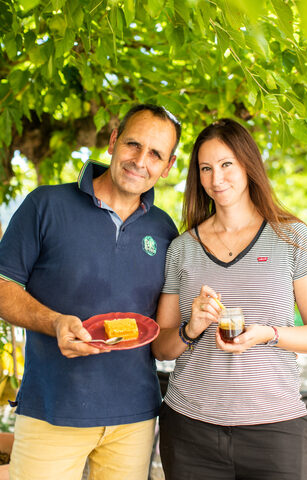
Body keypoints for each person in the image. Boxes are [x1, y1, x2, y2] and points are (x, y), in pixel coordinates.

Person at [0, 103, 181, 480]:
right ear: (113, 140)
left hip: (134, 417)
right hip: (53, 410)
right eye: (133, 144)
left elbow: (166, 326)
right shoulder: (45, 205)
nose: (140, 160)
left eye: (156, 154)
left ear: (168, 166)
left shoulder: (165, 230)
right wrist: (54, 322)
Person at [152, 118, 307, 480]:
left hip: (276, 430)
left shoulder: (292, 237)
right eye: (206, 168)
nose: (216, 178)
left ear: (248, 165)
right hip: (189, 429)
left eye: (227, 164)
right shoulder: (182, 249)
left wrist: (269, 334)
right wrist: (191, 328)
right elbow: (161, 349)